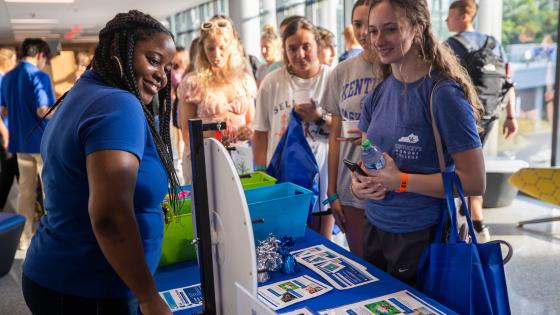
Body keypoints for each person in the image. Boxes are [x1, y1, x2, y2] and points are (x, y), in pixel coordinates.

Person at [21, 10, 180, 314]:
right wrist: (148, 297)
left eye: (168, 67)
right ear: (117, 51)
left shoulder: (84, 92)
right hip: (89, 289)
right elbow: (109, 216)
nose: (162, 75)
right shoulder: (118, 104)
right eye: (154, 60)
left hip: (61, 276)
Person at [353, 0, 485, 285]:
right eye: (373, 30)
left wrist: (400, 181)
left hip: (421, 235)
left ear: (418, 27)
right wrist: (358, 183)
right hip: (375, 226)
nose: (378, 40)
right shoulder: (379, 93)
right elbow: (367, 158)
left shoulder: (443, 95)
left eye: (390, 29)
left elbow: (475, 181)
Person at [253, 18, 334, 239]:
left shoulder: (331, 78)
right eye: (292, 48)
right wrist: (261, 175)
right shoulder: (272, 82)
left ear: (317, 45)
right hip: (283, 178)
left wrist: (317, 118)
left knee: (321, 246)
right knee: (285, 242)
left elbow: (344, 130)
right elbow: (260, 132)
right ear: (285, 50)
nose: (300, 54)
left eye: (306, 46)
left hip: (322, 179)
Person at [446, 0, 518, 241]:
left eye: (451, 15)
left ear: (465, 16)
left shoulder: (452, 45)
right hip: (490, 115)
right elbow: (508, 82)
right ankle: (472, 217)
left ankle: (475, 221)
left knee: (460, 167)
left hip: (462, 117)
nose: (447, 20)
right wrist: (511, 116)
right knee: (475, 163)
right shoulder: (493, 43)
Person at [323, 0, 378, 258]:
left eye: (370, 24)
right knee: (362, 263)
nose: (364, 32)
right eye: (358, 24)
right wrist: (332, 190)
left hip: (388, 185)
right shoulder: (341, 72)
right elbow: (335, 136)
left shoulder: (398, 70)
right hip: (350, 187)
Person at [178, 18, 256, 183]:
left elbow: (251, 121)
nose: (216, 54)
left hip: (240, 154)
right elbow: (186, 130)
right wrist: (215, 133)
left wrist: (247, 130)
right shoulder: (193, 83)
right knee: (207, 205)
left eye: (222, 48)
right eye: (210, 49)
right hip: (205, 154)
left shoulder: (244, 81)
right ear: (202, 50)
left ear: (232, 47)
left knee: (241, 203)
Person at [0, 38, 54, 250]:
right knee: (50, 191)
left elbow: (3, 111)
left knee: (25, 191)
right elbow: (43, 110)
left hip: (20, 143)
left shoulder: (8, 77)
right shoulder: (39, 76)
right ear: (40, 55)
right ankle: (52, 236)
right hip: (40, 143)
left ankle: (24, 238)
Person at [0, 47, 18, 212]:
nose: (15, 63)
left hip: (8, 131)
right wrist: (5, 134)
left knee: (11, 170)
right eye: (13, 60)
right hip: (4, 133)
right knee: (9, 170)